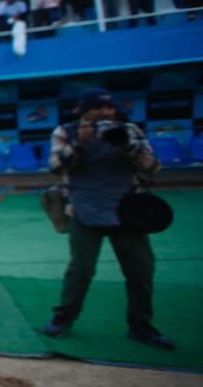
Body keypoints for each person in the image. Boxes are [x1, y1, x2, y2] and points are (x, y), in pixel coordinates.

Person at [42, 88, 173, 349]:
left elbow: (152, 168)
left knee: (141, 270)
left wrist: (130, 146)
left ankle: (140, 325)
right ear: (82, 110)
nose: (104, 113)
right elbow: (56, 167)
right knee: (81, 270)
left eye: (109, 108)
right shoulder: (65, 132)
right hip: (83, 211)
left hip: (127, 212)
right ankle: (64, 317)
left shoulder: (130, 130)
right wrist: (80, 143)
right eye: (97, 109)